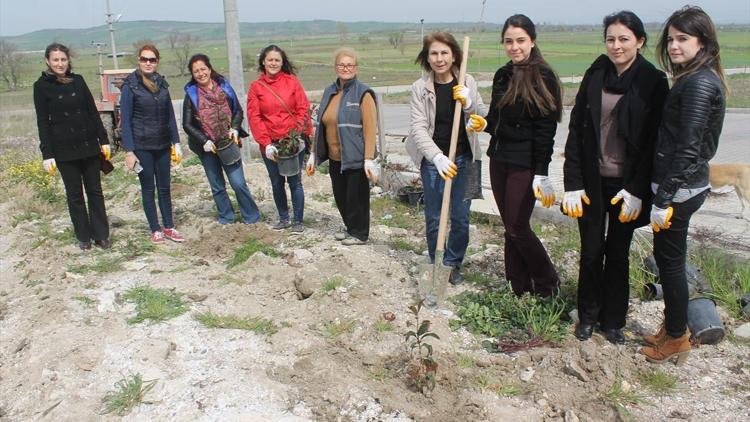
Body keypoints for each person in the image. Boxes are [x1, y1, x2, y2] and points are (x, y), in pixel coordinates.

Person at [563, 11, 669, 344]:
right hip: (593, 181)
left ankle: (614, 321)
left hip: (627, 187)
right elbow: (577, 127)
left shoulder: (652, 81)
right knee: (591, 251)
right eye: (611, 39)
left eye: (624, 39)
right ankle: (588, 316)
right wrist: (573, 181)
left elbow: (653, 141)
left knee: (618, 252)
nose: (616, 45)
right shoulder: (596, 74)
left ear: (639, 41)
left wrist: (638, 190)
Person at [642, 5, 726, 365]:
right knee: (667, 259)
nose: (674, 46)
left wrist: (664, 197)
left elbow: (689, 147)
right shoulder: (694, 78)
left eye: (683, 39)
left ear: (703, 42)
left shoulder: (699, 84)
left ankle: (677, 337)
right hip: (681, 186)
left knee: (671, 265)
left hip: (681, 189)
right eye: (671, 39)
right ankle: (672, 327)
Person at [478, 15, 562, 297]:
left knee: (517, 226)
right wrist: (481, 122)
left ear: (532, 41)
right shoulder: (502, 74)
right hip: (499, 158)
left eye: (520, 41)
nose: (514, 47)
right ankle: (519, 286)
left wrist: (541, 172)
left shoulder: (543, 76)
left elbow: (545, 130)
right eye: (509, 41)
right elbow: (495, 119)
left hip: (524, 163)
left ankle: (548, 281)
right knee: (509, 226)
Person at [406, 31, 486, 285]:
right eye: (434, 53)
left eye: (444, 53)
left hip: (468, 159)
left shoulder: (467, 81)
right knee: (434, 216)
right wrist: (437, 157)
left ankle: (453, 264)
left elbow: (482, 114)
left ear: (453, 56)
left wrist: (471, 104)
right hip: (434, 161)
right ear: (427, 57)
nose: (439, 59)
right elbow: (418, 128)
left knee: (461, 216)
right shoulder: (420, 88)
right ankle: (436, 262)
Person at [33, 43, 111, 250]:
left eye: (63, 59)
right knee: (74, 195)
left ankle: (101, 234)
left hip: (88, 145)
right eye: (56, 60)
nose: (60, 64)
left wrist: (103, 140)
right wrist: (47, 153)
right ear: (47, 61)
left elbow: (92, 112)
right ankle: (83, 236)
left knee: (95, 191)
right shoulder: (41, 86)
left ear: (69, 61)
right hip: (64, 150)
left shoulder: (78, 81)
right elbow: (43, 121)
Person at [306, 48, 378, 245]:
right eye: (341, 65)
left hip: (355, 155)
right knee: (341, 196)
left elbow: (370, 128)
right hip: (335, 156)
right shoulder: (330, 92)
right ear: (335, 67)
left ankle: (360, 233)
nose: (345, 68)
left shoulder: (363, 93)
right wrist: (314, 153)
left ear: (356, 68)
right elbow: (321, 123)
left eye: (350, 65)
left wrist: (369, 158)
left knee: (357, 198)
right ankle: (350, 228)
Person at [182, 54, 261, 225]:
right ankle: (227, 218)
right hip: (207, 147)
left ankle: (252, 217)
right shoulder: (191, 94)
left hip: (228, 143)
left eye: (203, 69)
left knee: (238, 182)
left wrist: (234, 127)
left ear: (209, 69)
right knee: (217, 185)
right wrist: (204, 140)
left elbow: (238, 111)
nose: (200, 73)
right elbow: (187, 124)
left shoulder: (224, 87)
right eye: (196, 71)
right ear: (192, 74)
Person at [120, 44, 185, 244]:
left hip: (162, 144)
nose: (148, 63)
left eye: (152, 60)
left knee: (165, 187)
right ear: (138, 61)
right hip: (142, 145)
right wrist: (130, 151)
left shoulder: (162, 83)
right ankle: (155, 228)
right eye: (144, 59)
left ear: (157, 62)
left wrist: (176, 141)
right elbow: (126, 120)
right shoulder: (130, 85)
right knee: (148, 188)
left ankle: (169, 226)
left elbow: (169, 116)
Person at [247, 45, 313, 233]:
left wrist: (296, 134)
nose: (273, 63)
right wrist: (265, 142)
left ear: (282, 62)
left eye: (277, 60)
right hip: (271, 143)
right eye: (270, 60)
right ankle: (283, 217)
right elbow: (254, 117)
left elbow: (303, 109)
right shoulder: (256, 87)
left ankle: (298, 220)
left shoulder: (292, 82)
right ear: (263, 62)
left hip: (292, 141)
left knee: (295, 181)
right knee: (276, 181)